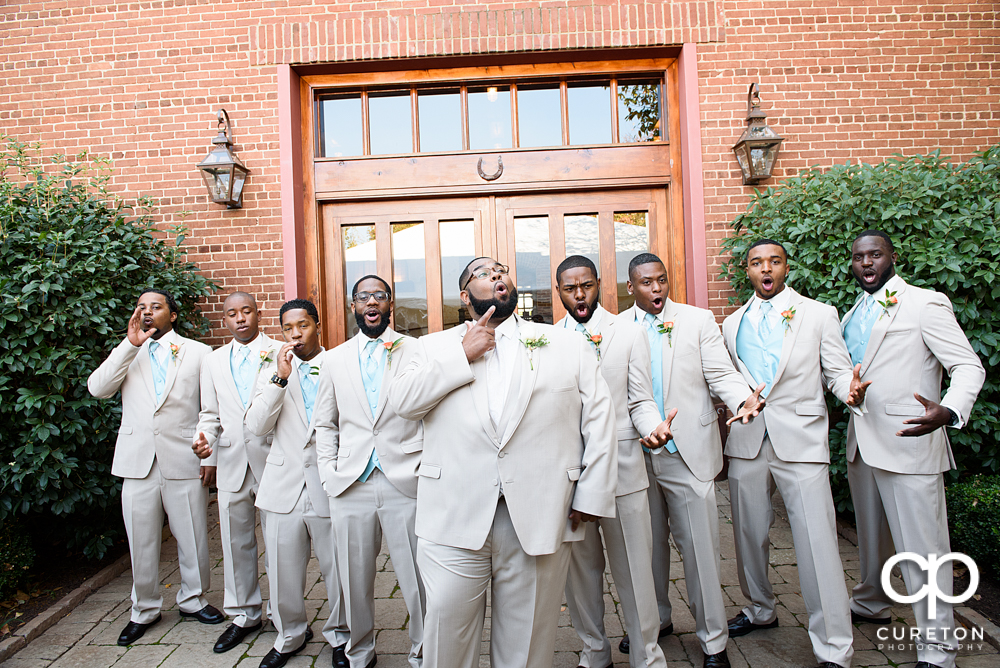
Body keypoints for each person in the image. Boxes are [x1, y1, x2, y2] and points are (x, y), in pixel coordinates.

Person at [388, 257, 618, 668]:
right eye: (482, 273)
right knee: (446, 644)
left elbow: (599, 420)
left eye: (501, 270)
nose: (496, 275)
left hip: (539, 513)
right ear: (464, 296)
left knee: (527, 645)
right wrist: (462, 355)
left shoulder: (564, 343)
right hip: (452, 517)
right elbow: (403, 405)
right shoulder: (429, 348)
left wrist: (592, 493)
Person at [721, 240, 869, 668]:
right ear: (747, 271)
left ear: (786, 267)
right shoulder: (731, 324)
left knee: (817, 543)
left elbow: (838, 371)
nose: (765, 269)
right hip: (749, 441)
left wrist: (850, 391)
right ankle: (760, 609)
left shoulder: (818, 314)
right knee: (749, 535)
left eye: (774, 261)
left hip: (801, 441)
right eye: (756, 263)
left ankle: (834, 646)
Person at [841, 230, 984, 668]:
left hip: (911, 440)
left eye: (876, 255)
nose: (867, 263)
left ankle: (939, 649)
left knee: (924, 550)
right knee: (873, 540)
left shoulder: (925, 302)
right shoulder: (849, 315)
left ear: (892, 257)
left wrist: (950, 410)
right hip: (862, 444)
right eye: (860, 257)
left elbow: (967, 366)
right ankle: (870, 599)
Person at [621, 253, 763, 668]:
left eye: (662, 280)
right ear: (631, 287)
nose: (657, 289)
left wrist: (743, 397)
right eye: (647, 283)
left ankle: (713, 641)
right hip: (639, 454)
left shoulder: (698, 321)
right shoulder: (616, 328)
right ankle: (655, 622)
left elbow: (721, 373)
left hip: (690, 453)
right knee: (645, 552)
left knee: (701, 552)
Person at [555, 256, 673, 668]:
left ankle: (648, 655)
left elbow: (640, 399)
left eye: (586, 285)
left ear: (599, 284)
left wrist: (654, 427)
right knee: (581, 574)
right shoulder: (549, 340)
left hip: (624, 468)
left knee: (636, 572)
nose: (580, 295)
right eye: (570, 289)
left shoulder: (629, 332)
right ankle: (594, 650)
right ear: (560, 293)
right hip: (572, 477)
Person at [88, 289, 223, 646]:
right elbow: (97, 388)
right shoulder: (128, 351)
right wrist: (128, 346)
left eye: (156, 307)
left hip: (184, 457)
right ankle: (144, 609)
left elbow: (210, 409)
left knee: (192, 534)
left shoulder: (198, 352)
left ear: (172, 314)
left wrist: (208, 453)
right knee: (141, 539)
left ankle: (193, 600)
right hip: (137, 461)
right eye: (141, 307)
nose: (147, 312)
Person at [315, 275, 425, 668]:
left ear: (390, 303)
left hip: (405, 479)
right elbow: (325, 423)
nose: (372, 302)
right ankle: (358, 650)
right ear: (353, 306)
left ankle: (422, 650)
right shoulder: (334, 359)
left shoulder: (415, 350)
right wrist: (328, 473)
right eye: (364, 297)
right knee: (352, 577)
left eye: (379, 295)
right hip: (350, 483)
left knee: (416, 577)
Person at [246, 299, 349, 668]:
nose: (295, 334)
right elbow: (256, 427)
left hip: (328, 485)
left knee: (338, 567)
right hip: (282, 486)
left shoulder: (338, 364)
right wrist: (280, 378)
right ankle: (290, 634)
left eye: (302, 325)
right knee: (282, 569)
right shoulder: (272, 372)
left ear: (317, 325)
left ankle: (341, 635)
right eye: (288, 328)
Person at [192, 292, 280, 653]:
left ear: (257, 314)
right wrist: (205, 445)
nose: (240, 318)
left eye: (246, 311)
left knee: (279, 543)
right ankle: (244, 613)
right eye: (232, 314)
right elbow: (209, 414)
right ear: (224, 320)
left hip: (274, 461)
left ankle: (283, 614)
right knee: (235, 541)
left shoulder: (279, 351)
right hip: (230, 463)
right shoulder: (212, 362)